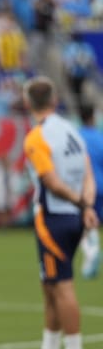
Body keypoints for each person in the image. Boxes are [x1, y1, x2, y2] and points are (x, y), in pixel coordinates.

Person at [20, 76, 98, 349]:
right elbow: (88, 173)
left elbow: (51, 182)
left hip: (53, 216)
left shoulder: (36, 137)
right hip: (75, 215)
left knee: (61, 285)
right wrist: (87, 204)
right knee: (49, 283)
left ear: (28, 103)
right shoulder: (72, 131)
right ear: (54, 100)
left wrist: (79, 203)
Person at [78, 104, 103, 279]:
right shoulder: (100, 137)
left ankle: (91, 252)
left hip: (84, 187)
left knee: (84, 223)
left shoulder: (76, 137)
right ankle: (93, 250)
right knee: (95, 221)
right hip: (101, 185)